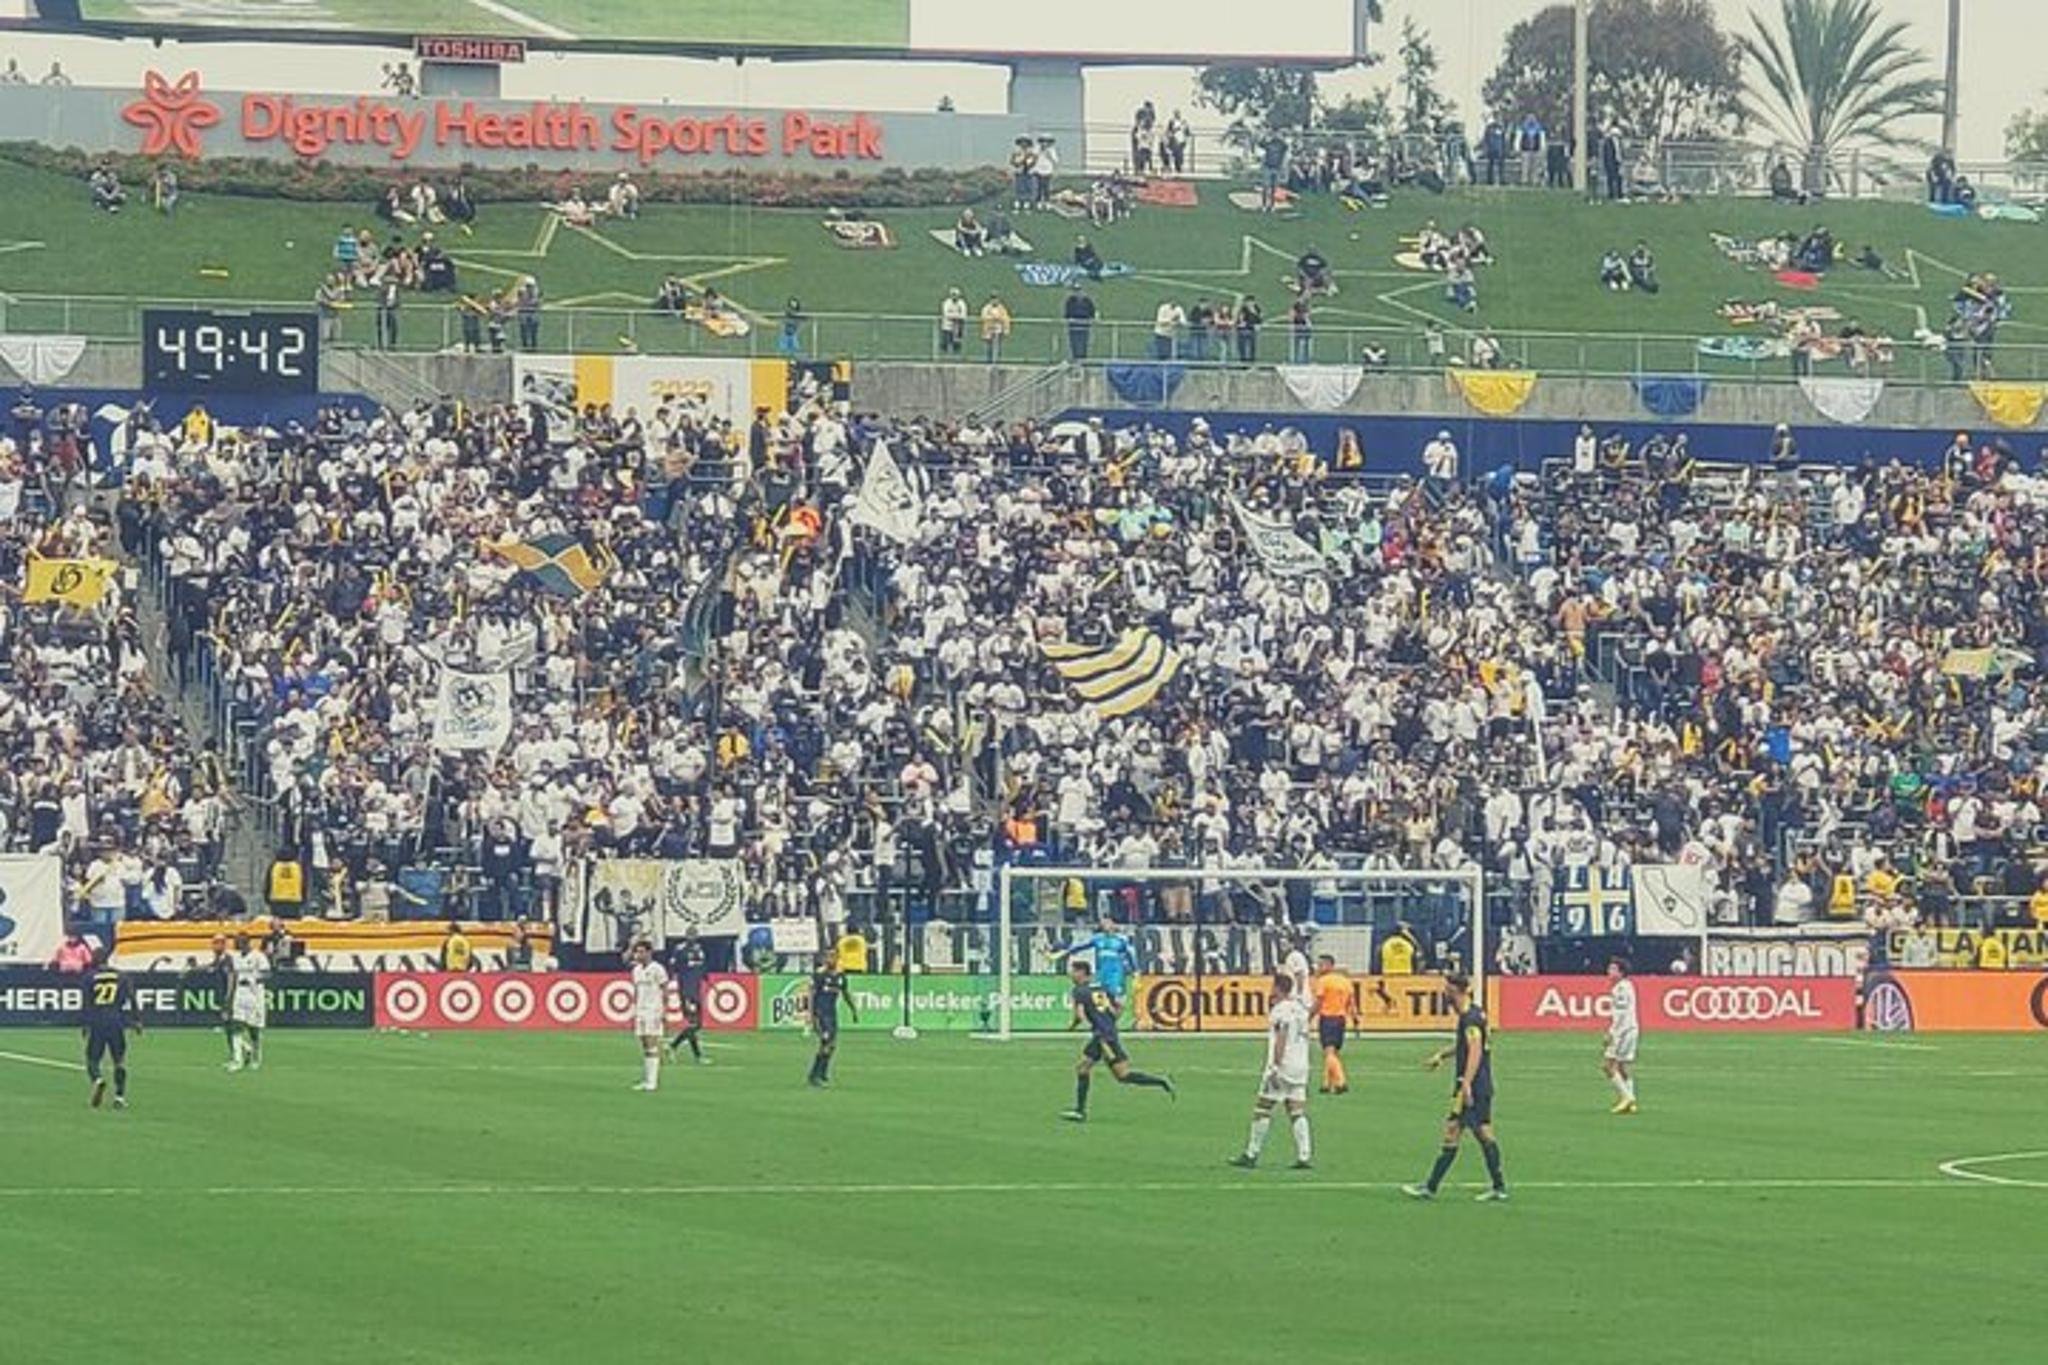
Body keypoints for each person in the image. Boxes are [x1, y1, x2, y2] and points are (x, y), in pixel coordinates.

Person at [1404, 973, 1507, 1202]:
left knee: (1471, 1132)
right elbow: (1466, 1045)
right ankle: (1495, 1187)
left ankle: (1433, 1187)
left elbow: (1476, 1050)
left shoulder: (1470, 1018)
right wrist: (1442, 1055)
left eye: (1447, 989)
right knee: (1468, 1131)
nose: (1444, 993)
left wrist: (1466, 1083)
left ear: (1456, 990)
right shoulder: (1473, 1014)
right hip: (1475, 1084)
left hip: (1474, 1085)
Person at [1061, 959, 1173, 1121]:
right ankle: (1161, 1081)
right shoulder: (1100, 988)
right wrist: (1107, 1023)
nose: (1070, 975)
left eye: (1073, 971)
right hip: (1107, 1034)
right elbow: (1117, 1009)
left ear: (1081, 973)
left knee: (1109, 1073)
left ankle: (1080, 1111)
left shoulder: (1079, 991)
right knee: (1097, 1071)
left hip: (1102, 1037)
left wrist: (1073, 1026)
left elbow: (1079, 1015)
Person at [1227, 973, 1314, 1170]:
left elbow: (1281, 1036)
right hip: (1301, 1065)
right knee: (1296, 1111)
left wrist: (1275, 1065)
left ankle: (1251, 1154)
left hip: (1283, 1065)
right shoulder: (1300, 1010)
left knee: (1262, 1108)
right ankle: (1304, 1155)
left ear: (1277, 988)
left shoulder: (1280, 1010)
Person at [81, 951, 138, 1110]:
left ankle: (98, 1080)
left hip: (97, 1022)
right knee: (119, 1060)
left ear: (94, 959)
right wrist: (136, 1020)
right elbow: (132, 998)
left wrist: (85, 1024)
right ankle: (119, 1096)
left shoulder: (89, 977)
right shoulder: (121, 976)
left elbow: (86, 1003)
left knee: (92, 1059)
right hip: (117, 1021)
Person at [1053, 917, 1137, 1014]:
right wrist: (1066, 952)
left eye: (1107, 922)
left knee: (1117, 1002)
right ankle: (1104, 1023)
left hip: (1116, 975)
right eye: (1103, 923)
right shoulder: (1098, 938)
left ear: (1113, 925)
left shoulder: (1121, 939)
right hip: (1101, 975)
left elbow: (1131, 954)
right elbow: (1081, 946)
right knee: (1100, 1003)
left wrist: (1135, 971)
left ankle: (1111, 1023)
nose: (1105, 925)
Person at [806, 951, 858, 1086]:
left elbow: (846, 993)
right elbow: (811, 995)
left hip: (832, 1015)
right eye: (828, 957)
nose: (830, 960)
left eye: (833, 957)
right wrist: (810, 1015)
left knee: (832, 1045)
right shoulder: (819, 975)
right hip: (821, 1014)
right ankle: (815, 1075)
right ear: (824, 959)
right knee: (827, 1044)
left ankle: (821, 1073)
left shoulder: (840, 977)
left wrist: (853, 1009)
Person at [1312, 953, 1360, 1094]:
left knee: (1329, 1051)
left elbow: (1319, 1002)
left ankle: (1340, 1081)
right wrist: (1355, 1019)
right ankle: (1326, 1083)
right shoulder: (1345, 981)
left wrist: (1309, 1016)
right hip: (1340, 1019)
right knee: (1333, 1052)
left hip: (1328, 1019)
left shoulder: (1323, 981)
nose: (1318, 968)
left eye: (1321, 965)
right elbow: (1352, 1003)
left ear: (1329, 965)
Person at [225, 933, 271, 1073]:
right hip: (240, 994)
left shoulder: (258, 956)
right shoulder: (236, 957)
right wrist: (230, 998)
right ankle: (237, 1060)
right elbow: (233, 977)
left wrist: (253, 979)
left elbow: (267, 974)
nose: (236, 945)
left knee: (254, 1030)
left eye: (239, 942)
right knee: (235, 1026)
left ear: (246, 942)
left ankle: (256, 1057)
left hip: (255, 995)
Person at [628, 940, 669, 1092]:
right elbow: (636, 991)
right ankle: (646, 1080)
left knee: (652, 1043)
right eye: (637, 952)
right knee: (644, 1044)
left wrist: (665, 1010)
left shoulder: (658, 969)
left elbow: (665, 989)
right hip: (641, 1010)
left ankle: (653, 1081)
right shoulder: (636, 970)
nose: (639, 955)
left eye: (641, 952)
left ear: (649, 952)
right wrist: (634, 1008)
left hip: (654, 1010)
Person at [666, 932, 710, 1064]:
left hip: (696, 990)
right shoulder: (680, 950)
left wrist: (705, 976)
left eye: (694, 934)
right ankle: (695, 1055)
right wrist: (672, 978)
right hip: (687, 991)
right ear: (686, 936)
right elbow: (673, 966)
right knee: (693, 1024)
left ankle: (673, 1046)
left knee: (697, 1025)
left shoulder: (699, 949)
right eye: (690, 934)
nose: (692, 937)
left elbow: (702, 967)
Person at [1604, 956, 1640, 1114]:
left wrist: (1611, 1033)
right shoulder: (1628, 986)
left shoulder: (1620, 989)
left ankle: (1626, 1097)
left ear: (1621, 972)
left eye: (1613, 969)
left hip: (1622, 1032)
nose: (1609, 972)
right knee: (1623, 1067)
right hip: (1632, 1029)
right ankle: (1631, 1101)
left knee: (1608, 1066)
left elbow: (1620, 1014)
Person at [1063, 285, 1096, 361]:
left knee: (1083, 342)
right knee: (1074, 342)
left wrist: (1091, 319)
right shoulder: (1070, 301)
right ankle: (1075, 359)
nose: (1077, 292)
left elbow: (1092, 312)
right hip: (1073, 325)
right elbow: (1067, 313)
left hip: (1084, 325)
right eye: (1075, 290)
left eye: (1079, 290)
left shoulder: (1087, 301)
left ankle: (1083, 360)